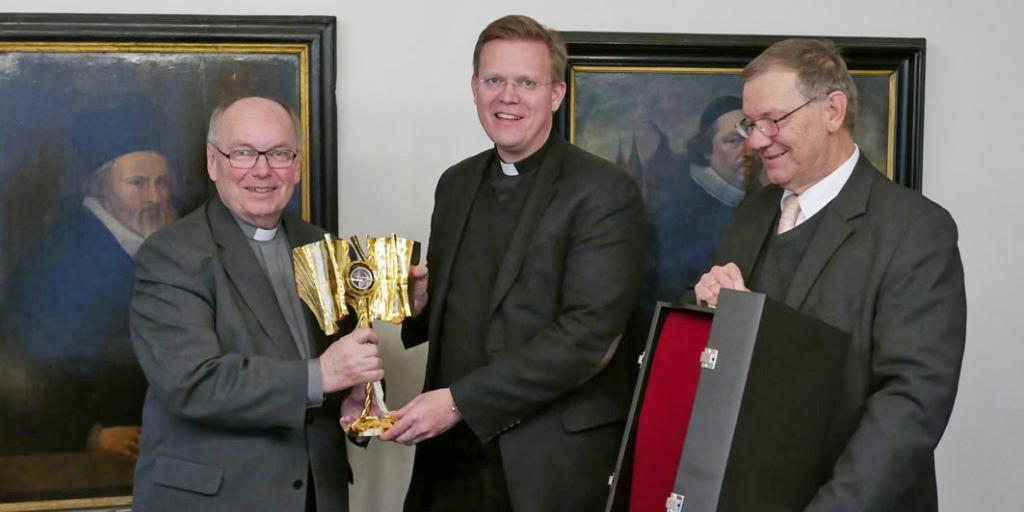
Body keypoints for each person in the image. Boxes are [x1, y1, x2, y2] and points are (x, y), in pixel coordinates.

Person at [380, 15, 645, 512]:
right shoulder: (455, 184)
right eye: (494, 80)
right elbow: (461, 305)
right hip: (451, 456)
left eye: (526, 82)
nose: (508, 97)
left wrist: (459, 401)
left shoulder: (605, 191)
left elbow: (588, 336)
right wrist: (419, 305)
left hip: (547, 462)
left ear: (556, 95)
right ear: (474, 88)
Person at [694, 39, 966, 511]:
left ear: (833, 110)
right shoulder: (754, 212)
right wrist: (710, 309)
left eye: (773, 120)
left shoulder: (916, 229)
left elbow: (910, 404)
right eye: (750, 123)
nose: (757, 140)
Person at [129, 96, 383, 511]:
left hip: (317, 498)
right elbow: (193, 383)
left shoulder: (322, 246)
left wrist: (361, 395)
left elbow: (347, 361)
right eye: (244, 153)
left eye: (279, 154)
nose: (263, 170)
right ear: (214, 163)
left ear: (297, 165)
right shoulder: (171, 255)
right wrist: (325, 374)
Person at [1, 96, 178, 457]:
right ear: (98, 187)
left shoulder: (175, 243)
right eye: (138, 182)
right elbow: (21, 373)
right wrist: (90, 435)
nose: (154, 197)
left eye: (161, 183)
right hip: (97, 447)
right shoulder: (54, 259)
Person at [644, 95, 760, 300]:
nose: (747, 151)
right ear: (707, 150)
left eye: (751, 139)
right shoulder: (677, 213)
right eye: (733, 141)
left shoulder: (769, 202)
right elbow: (669, 295)